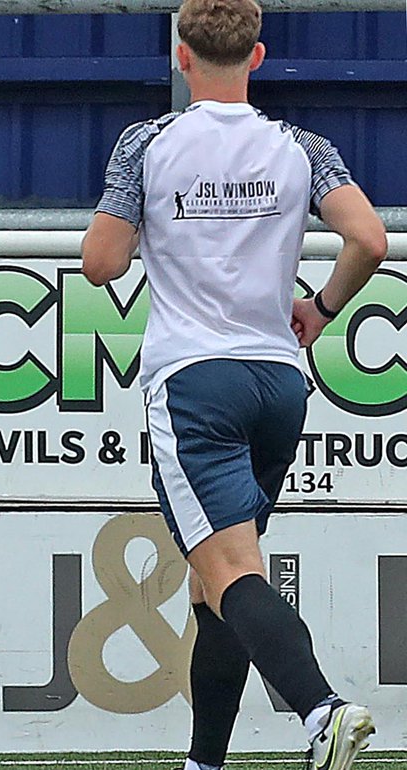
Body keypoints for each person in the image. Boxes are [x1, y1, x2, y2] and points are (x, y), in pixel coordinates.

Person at [80, 2, 387, 769]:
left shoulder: (147, 143)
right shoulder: (301, 146)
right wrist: (319, 307)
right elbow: (369, 240)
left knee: (230, 574)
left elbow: (101, 264)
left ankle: (323, 709)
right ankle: (204, 762)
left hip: (194, 382)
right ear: (257, 57)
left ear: (181, 57)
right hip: (278, 382)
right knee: (212, 589)